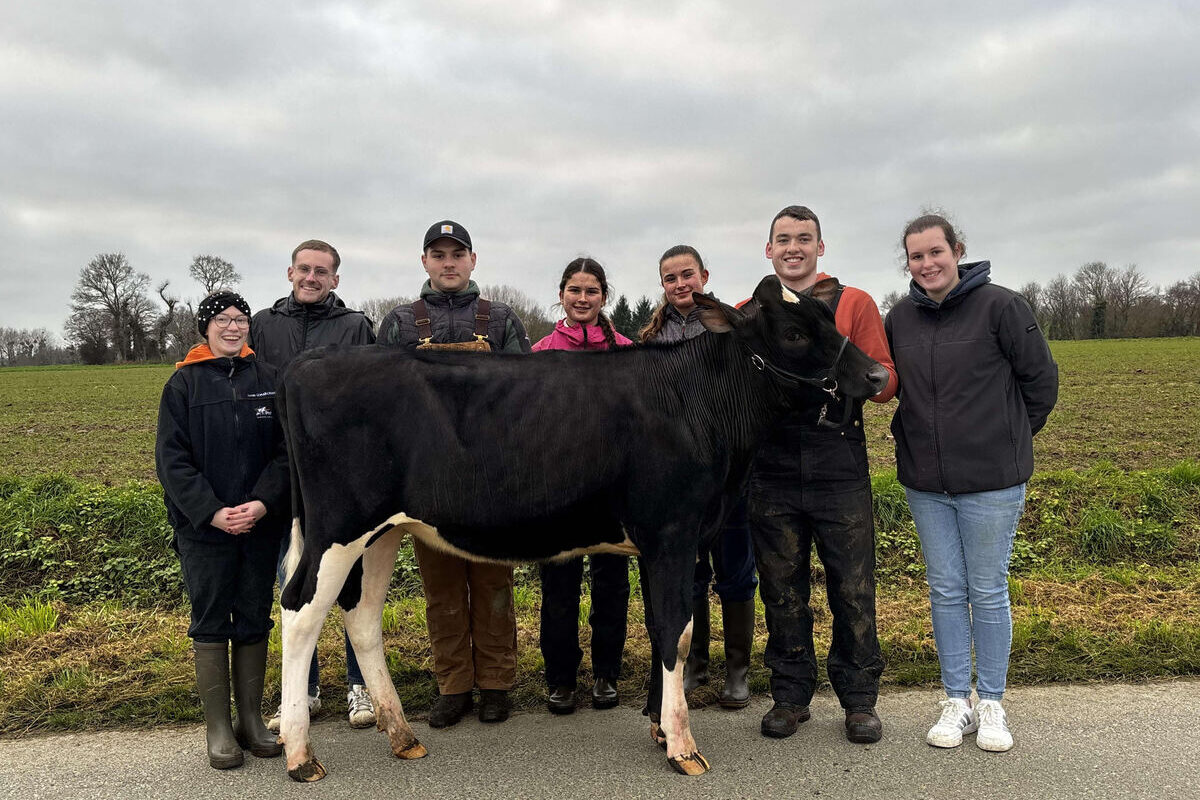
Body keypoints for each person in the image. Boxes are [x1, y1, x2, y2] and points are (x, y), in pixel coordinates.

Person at [885, 213, 1057, 752]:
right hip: (926, 482)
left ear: (957, 250)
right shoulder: (899, 319)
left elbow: (1040, 382)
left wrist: (1004, 439)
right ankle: (956, 700)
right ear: (908, 263)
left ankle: (993, 703)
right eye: (916, 256)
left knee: (986, 588)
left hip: (992, 483)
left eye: (936, 251)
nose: (927, 263)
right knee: (944, 589)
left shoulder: (1002, 306)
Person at [746, 206, 897, 743]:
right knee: (781, 589)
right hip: (772, 468)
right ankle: (790, 694)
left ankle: (859, 700)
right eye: (783, 239)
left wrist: (862, 376)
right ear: (768, 250)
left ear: (820, 247)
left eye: (803, 239)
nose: (794, 247)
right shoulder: (750, 309)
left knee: (852, 587)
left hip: (838, 462)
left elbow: (885, 380)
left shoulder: (854, 302)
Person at [377, 220, 530, 727]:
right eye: (438, 254)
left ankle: (496, 685)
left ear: (472, 260)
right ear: (424, 262)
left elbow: (526, 398)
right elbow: (383, 406)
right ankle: (453, 686)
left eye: (457, 254)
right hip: (429, 483)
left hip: (492, 479)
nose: (448, 263)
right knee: (441, 590)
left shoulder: (502, 318)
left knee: (493, 585)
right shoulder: (400, 322)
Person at [249, 239, 378, 732]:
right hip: (283, 468)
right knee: (291, 572)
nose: (312, 277)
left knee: (348, 577)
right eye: (304, 269)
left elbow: (373, 399)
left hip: (343, 471)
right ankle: (304, 688)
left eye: (322, 271)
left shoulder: (355, 327)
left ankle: (359, 685)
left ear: (335, 280)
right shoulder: (263, 325)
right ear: (289, 272)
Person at [155, 291, 288, 769]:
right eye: (223, 320)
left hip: (258, 523)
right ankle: (218, 728)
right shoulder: (183, 384)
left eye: (241, 320)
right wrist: (211, 511)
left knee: (254, 615)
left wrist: (262, 503)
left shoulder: (269, 380)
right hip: (204, 530)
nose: (233, 328)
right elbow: (172, 461)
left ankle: (251, 720)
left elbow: (284, 453)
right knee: (211, 619)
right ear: (205, 328)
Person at [640, 244, 759, 710]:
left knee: (734, 568)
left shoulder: (731, 328)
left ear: (704, 276)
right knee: (688, 572)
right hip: (674, 477)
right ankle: (693, 666)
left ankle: (737, 672)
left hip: (725, 472)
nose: (680, 284)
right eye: (671, 278)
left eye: (687, 274)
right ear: (663, 286)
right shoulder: (652, 337)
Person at [531, 257, 633, 714]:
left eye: (591, 291)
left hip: (614, 494)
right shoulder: (541, 352)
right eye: (575, 290)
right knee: (559, 587)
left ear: (603, 298)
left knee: (611, 586)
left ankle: (607, 674)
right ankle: (560, 679)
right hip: (558, 491)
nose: (583, 299)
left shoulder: (627, 351)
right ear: (562, 294)